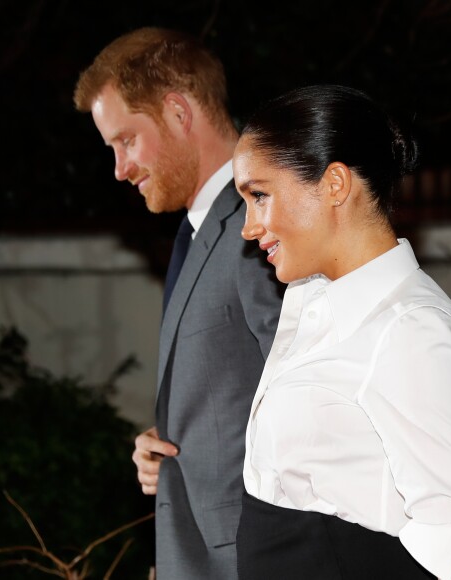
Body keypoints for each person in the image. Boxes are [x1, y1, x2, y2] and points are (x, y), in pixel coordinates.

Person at [232, 84, 451, 580]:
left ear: (335, 185)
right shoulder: (311, 300)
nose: (249, 227)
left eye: (259, 195)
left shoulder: (411, 332)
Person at [73, 27, 283, 579]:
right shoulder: (201, 230)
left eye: (125, 141)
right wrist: (167, 447)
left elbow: (309, 401)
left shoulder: (259, 225)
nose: (119, 169)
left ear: (177, 113)